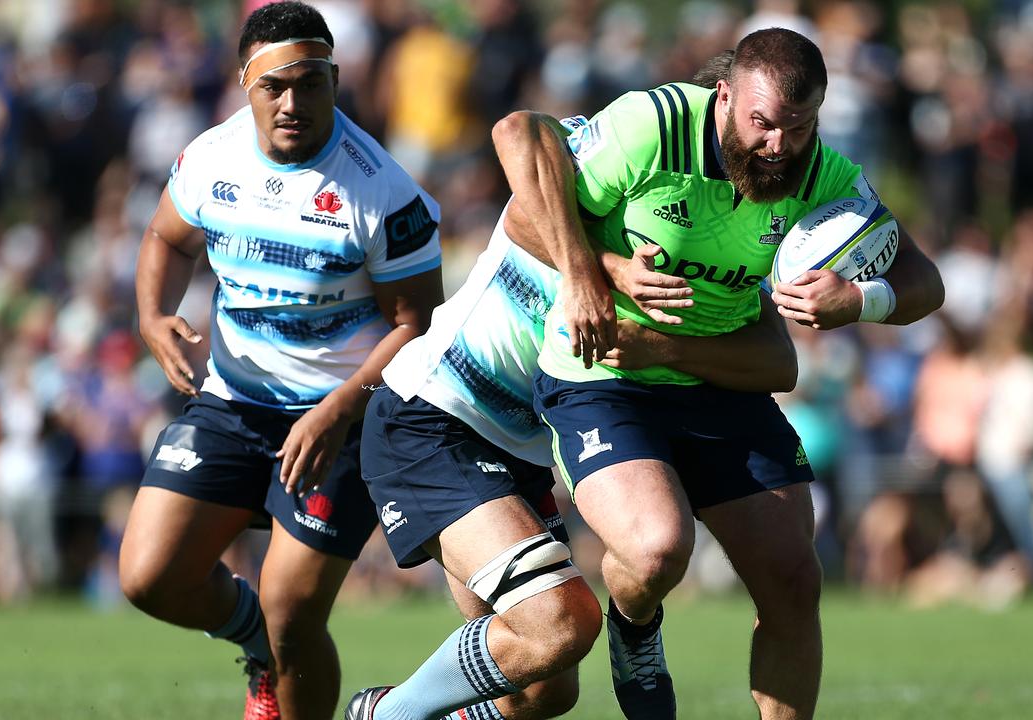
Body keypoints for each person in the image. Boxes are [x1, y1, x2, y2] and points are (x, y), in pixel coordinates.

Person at [517, 29, 944, 719]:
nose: (778, 145)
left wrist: (858, 300)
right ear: (725, 96)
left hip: (718, 376)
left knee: (795, 581)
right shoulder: (650, 124)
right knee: (657, 551)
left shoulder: (821, 176)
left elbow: (925, 282)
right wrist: (607, 269)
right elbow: (524, 215)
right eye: (762, 123)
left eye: (798, 128)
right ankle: (635, 625)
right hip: (606, 373)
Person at [342, 110, 800, 719]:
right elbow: (515, 130)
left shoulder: (695, 251)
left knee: (541, 690)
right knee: (560, 624)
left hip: (518, 454)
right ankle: (389, 715)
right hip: (435, 417)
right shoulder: (578, 178)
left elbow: (777, 358)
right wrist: (591, 268)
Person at [117, 3, 444, 720]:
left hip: (342, 418)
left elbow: (417, 325)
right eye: (274, 87)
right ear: (245, 85)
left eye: (311, 83)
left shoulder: (383, 192)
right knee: (148, 577)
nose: (293, 102)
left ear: (334, 78)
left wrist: (340, 407)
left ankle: (279, 647)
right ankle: (255, 645)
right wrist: (151, 316)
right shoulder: (210, 157)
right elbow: (166, 240)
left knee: (293, 611)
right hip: (232, 404)